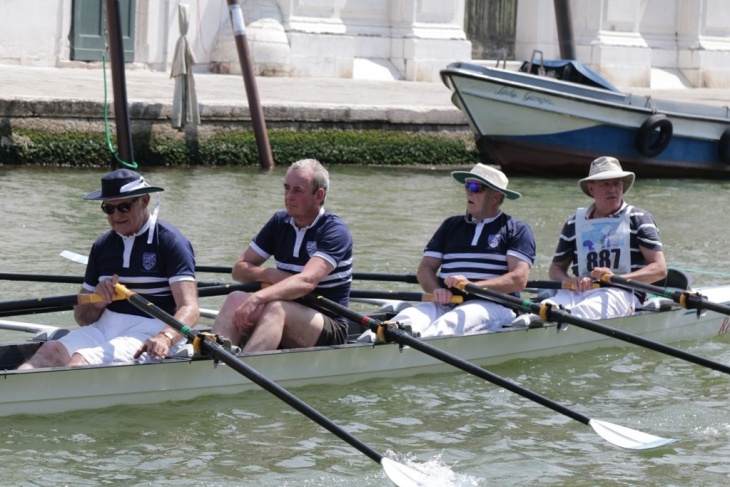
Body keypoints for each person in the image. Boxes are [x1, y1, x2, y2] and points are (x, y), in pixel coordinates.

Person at [18, 169, 199, 369]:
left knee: (80, 362)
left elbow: (190, 309)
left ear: (145, 201)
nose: (116, 216)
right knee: (50, 351)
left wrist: (165, 337)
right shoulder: (102, 246)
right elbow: (81, 318)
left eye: (124, 206)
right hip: (105, 325)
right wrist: (96, 303)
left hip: (153, 328)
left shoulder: (170, 242)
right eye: (108, 208)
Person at [211, 159, 352, 351]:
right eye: (286, 188)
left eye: (298, 190)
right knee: (236, 298)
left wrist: (257, 298)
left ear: (318, 195)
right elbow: (239, 269)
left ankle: (243, 373)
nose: (289, 196)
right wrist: (269, 274)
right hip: (285, 309)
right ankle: (214, 362)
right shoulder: (279, 222)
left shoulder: (334, 231)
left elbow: (306, 282)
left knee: (276, 308)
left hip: (328, 323)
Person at [387, 163, 536, 337]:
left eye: (476, 187)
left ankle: (414, 353)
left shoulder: (516, 229)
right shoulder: (450, 225)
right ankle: (384, 338)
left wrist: (473, 287)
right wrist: (436, 290)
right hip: (448, 301)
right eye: (467, 185)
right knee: (409, 317)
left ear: (495, 196)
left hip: (493, 305)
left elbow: (519, 279)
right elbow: (425, 269)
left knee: (450, 323)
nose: (468, 191)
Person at [545, 156, 667, 319]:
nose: (612, 189)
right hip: (581, 291)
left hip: (623, 293)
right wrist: (570, 281)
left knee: (581, 314)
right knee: (543, 310)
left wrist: (616, 279)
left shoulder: (639, 218)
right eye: (605, 184)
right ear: (591, 189)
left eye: (617, 183)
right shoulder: (574, 223)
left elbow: (659, 269)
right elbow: (555, 269)